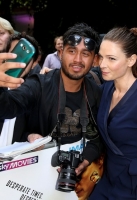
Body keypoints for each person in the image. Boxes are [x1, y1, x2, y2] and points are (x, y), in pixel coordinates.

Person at [0, 22, 104, 176]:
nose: (77, 59)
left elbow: (98, 138)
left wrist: (85, 160)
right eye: (72, 51)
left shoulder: (96, 92)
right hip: (35, 175)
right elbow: (7, 107)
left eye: (86, 54)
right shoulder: (39, 85)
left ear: (94, 59)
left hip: (75, 179)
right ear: (60, 53)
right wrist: (30, 136)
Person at [88, 26, 137, 199]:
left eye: (111, 58)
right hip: (107, 179)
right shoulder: (106, 89)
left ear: (131, 60)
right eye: (101, 56)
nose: (102, 64)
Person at [0, 31, 42, 147]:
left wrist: (29, 136)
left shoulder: (32, 90)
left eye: (24, 57)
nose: (19, 62)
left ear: (34, 63)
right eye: (14, 54)